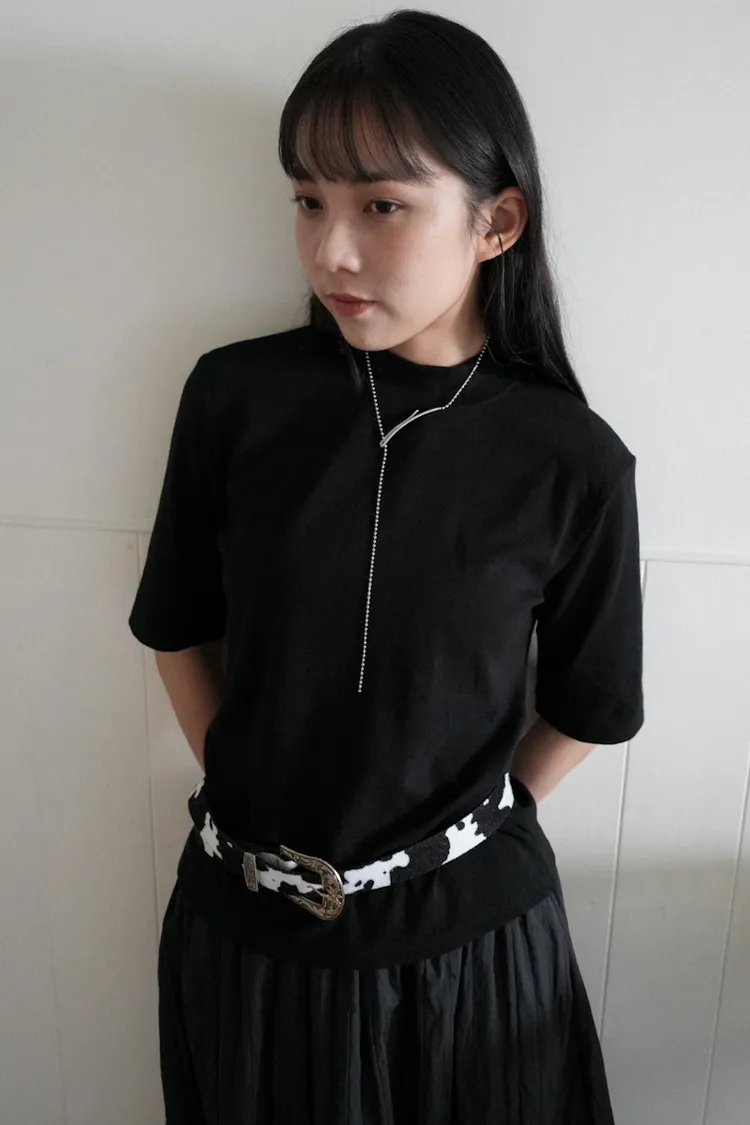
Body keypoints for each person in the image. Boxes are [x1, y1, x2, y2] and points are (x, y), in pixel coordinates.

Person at [128, 9, 645, 1123]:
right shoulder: (235, 398)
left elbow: (591, 706)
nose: (331, 250)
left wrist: (440, 841)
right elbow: (176, 625)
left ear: (497, 221)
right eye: (308, 201)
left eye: (382, 205)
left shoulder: (571, 459)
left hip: (473, 960)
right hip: (246, 938)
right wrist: (255, 798)